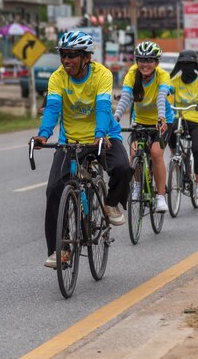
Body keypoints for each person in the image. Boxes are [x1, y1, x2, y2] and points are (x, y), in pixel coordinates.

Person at [32, 30, 131, 269]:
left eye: (72, 55)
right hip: (71, 140)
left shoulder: (102, 75)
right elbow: (53, 109)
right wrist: (44, 135)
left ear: (86, 57)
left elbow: (104, 108)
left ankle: (110, 202)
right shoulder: (57, 78)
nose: (66, 60)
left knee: (123, 168)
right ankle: (60, 250)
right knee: (54, 189)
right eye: (63, 55)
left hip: (103, 135)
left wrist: (100, 135)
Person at [114, 41, 170, 213]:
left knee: (155, 153)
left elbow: (161, 98)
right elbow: (125, 98)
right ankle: (137, 185)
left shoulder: (163, 76)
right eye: (141, 60)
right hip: (140, 121)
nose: (145, 64)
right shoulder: (131, 73)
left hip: (162, 120)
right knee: (134, 153)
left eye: (150, 60)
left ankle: (160, 196)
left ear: (157, 62)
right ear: (137, 61)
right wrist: (115, 117)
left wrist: (161, 117)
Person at [168, 50, 198, 199]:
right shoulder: (175, 81)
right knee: (168, 130)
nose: (186, 67)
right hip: (180, 116)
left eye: (189, 64)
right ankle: (175, 154)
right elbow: (166, 90)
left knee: (197, 149)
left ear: (195, 65)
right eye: (183, 64)